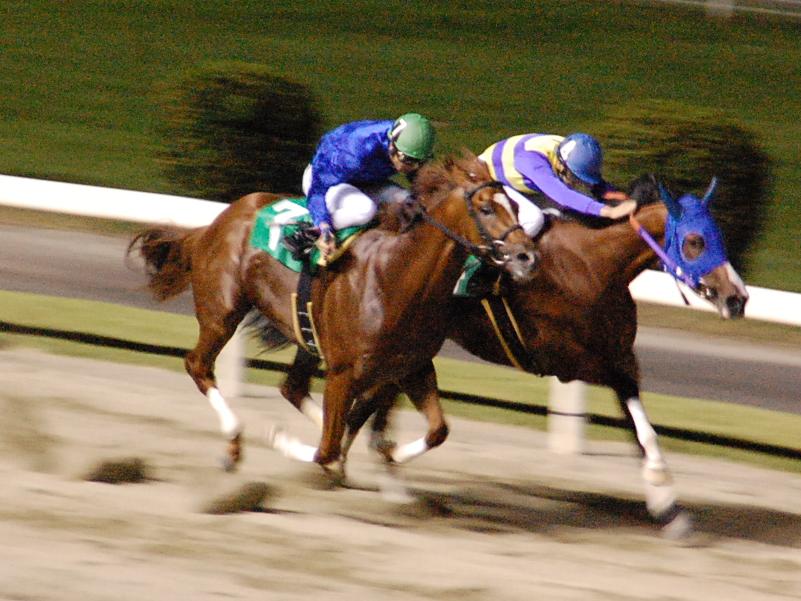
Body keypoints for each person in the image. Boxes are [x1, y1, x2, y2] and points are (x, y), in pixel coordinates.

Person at [302, 113, 436, 261]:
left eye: (420, 162)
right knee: (365, 209)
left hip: (367, 180)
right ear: (392, 146)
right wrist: (324, 228)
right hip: (325, 181)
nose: (414, 167)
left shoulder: (409, 143)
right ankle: (310, 232)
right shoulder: (356, 151)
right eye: (409, 161)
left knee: (407, 202)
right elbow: (318, 190)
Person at [477, 133, 636, 238]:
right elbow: (562, 195)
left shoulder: (570, 151)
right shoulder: (532, 162)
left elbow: (597, 184)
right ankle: (487, 262)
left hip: (522, 183)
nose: (577, 183)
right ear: (561, 165)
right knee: (534, 219)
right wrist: (609, 211)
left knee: (569, 212)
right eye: (575, 177)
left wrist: (626, 199)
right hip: (487, 182)